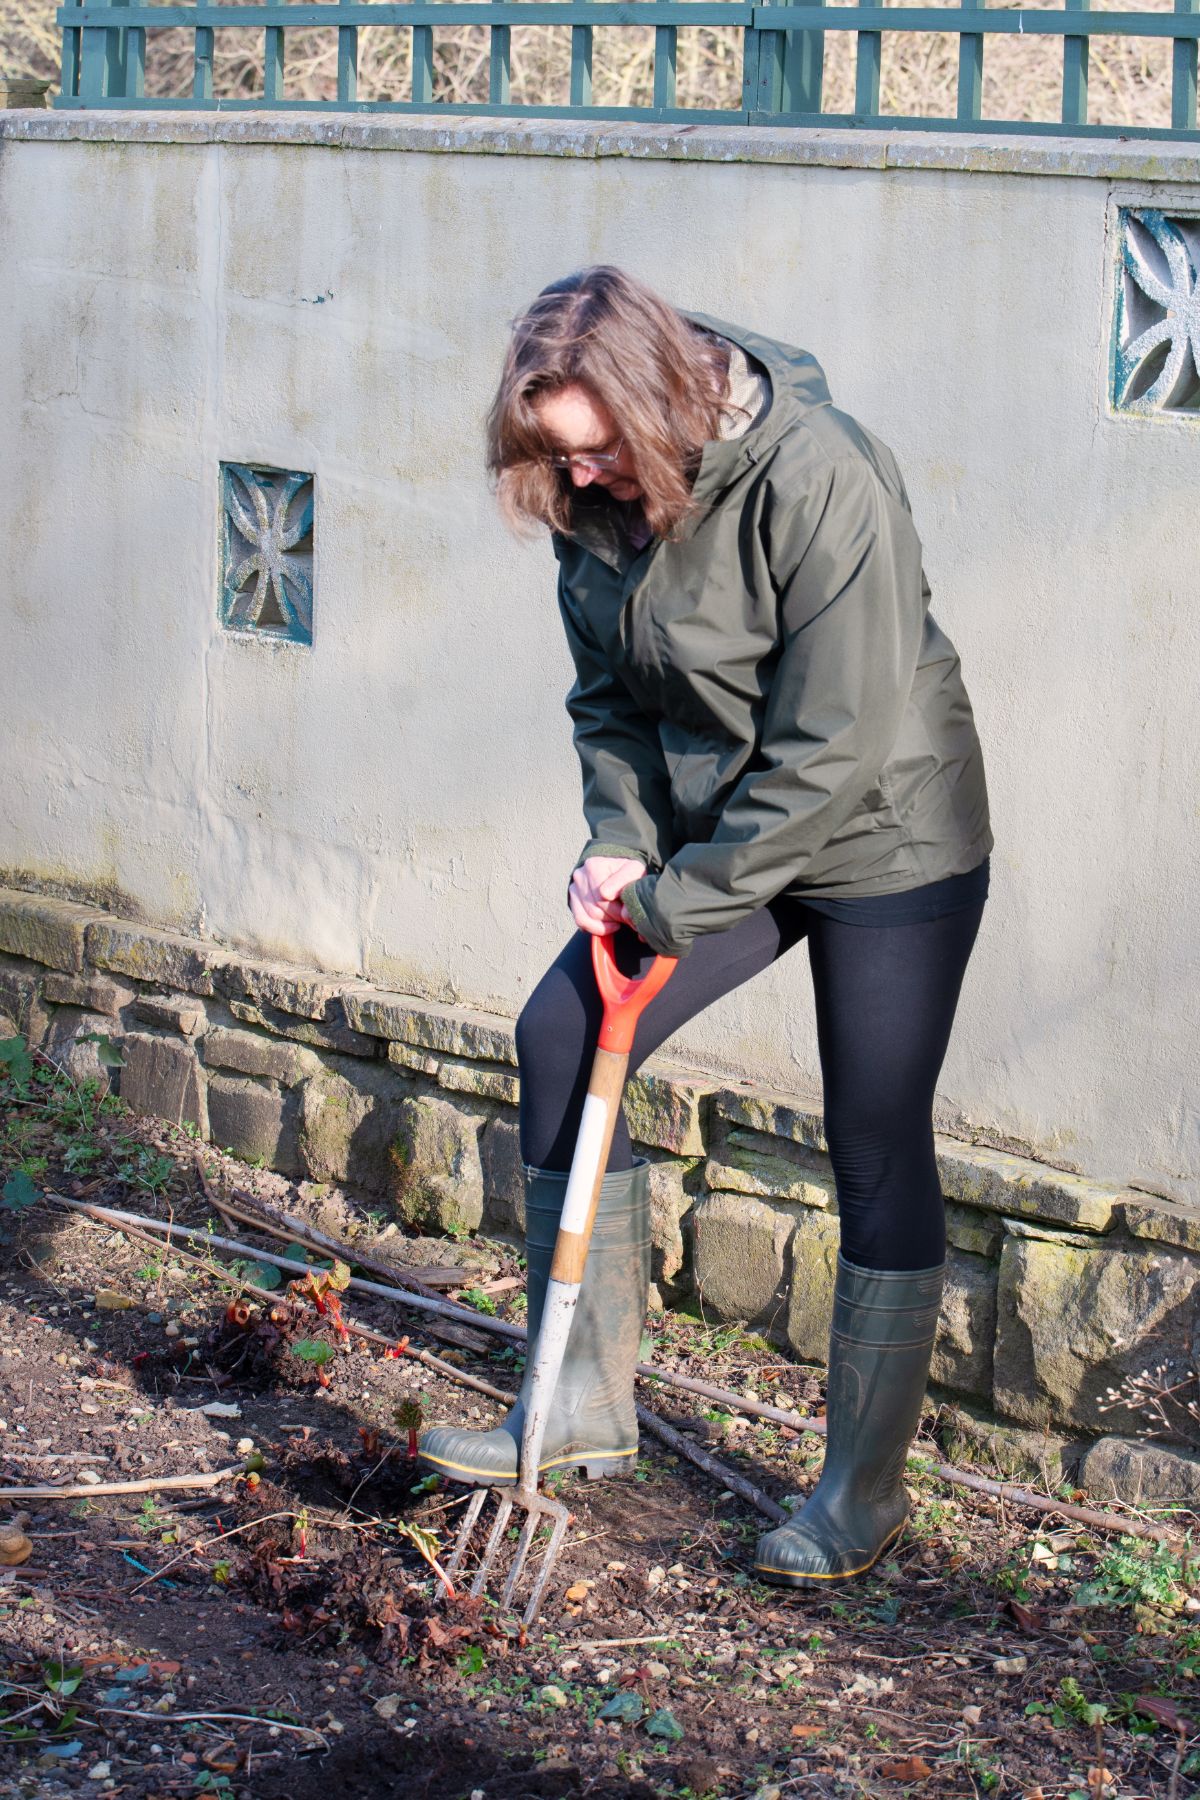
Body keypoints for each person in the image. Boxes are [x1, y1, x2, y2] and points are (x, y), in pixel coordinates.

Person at [419, 266, 992, 1588]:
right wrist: (620, 836)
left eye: (603, 445)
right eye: (563, 458)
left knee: (871, 1127)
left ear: (660, 391)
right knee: (562, 1033)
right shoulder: (592, 492)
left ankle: (861, 1492)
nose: (591, 476)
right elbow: (613, 698)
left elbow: (834, 746)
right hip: (723, 829)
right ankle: (577, 1407)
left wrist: (673, 902)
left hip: (886, 827)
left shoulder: (820, 476)